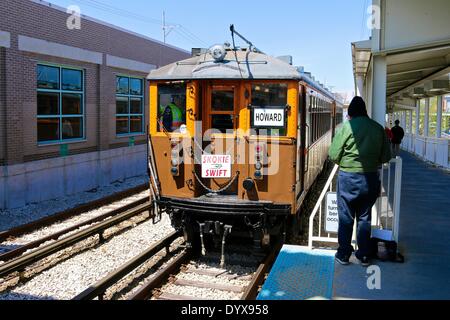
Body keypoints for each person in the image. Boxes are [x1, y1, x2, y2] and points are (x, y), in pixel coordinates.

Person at [329, 96, 391, 267]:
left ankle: (343, 254)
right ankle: (363, 255)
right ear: (365, 111)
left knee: (346, 217)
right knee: (364, 217)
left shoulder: (346, 127)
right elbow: (386, 156)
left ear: (350, 113)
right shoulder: (378, 128)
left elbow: (333, 155)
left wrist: (347, 162)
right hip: (370, 178)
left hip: (348, 178)